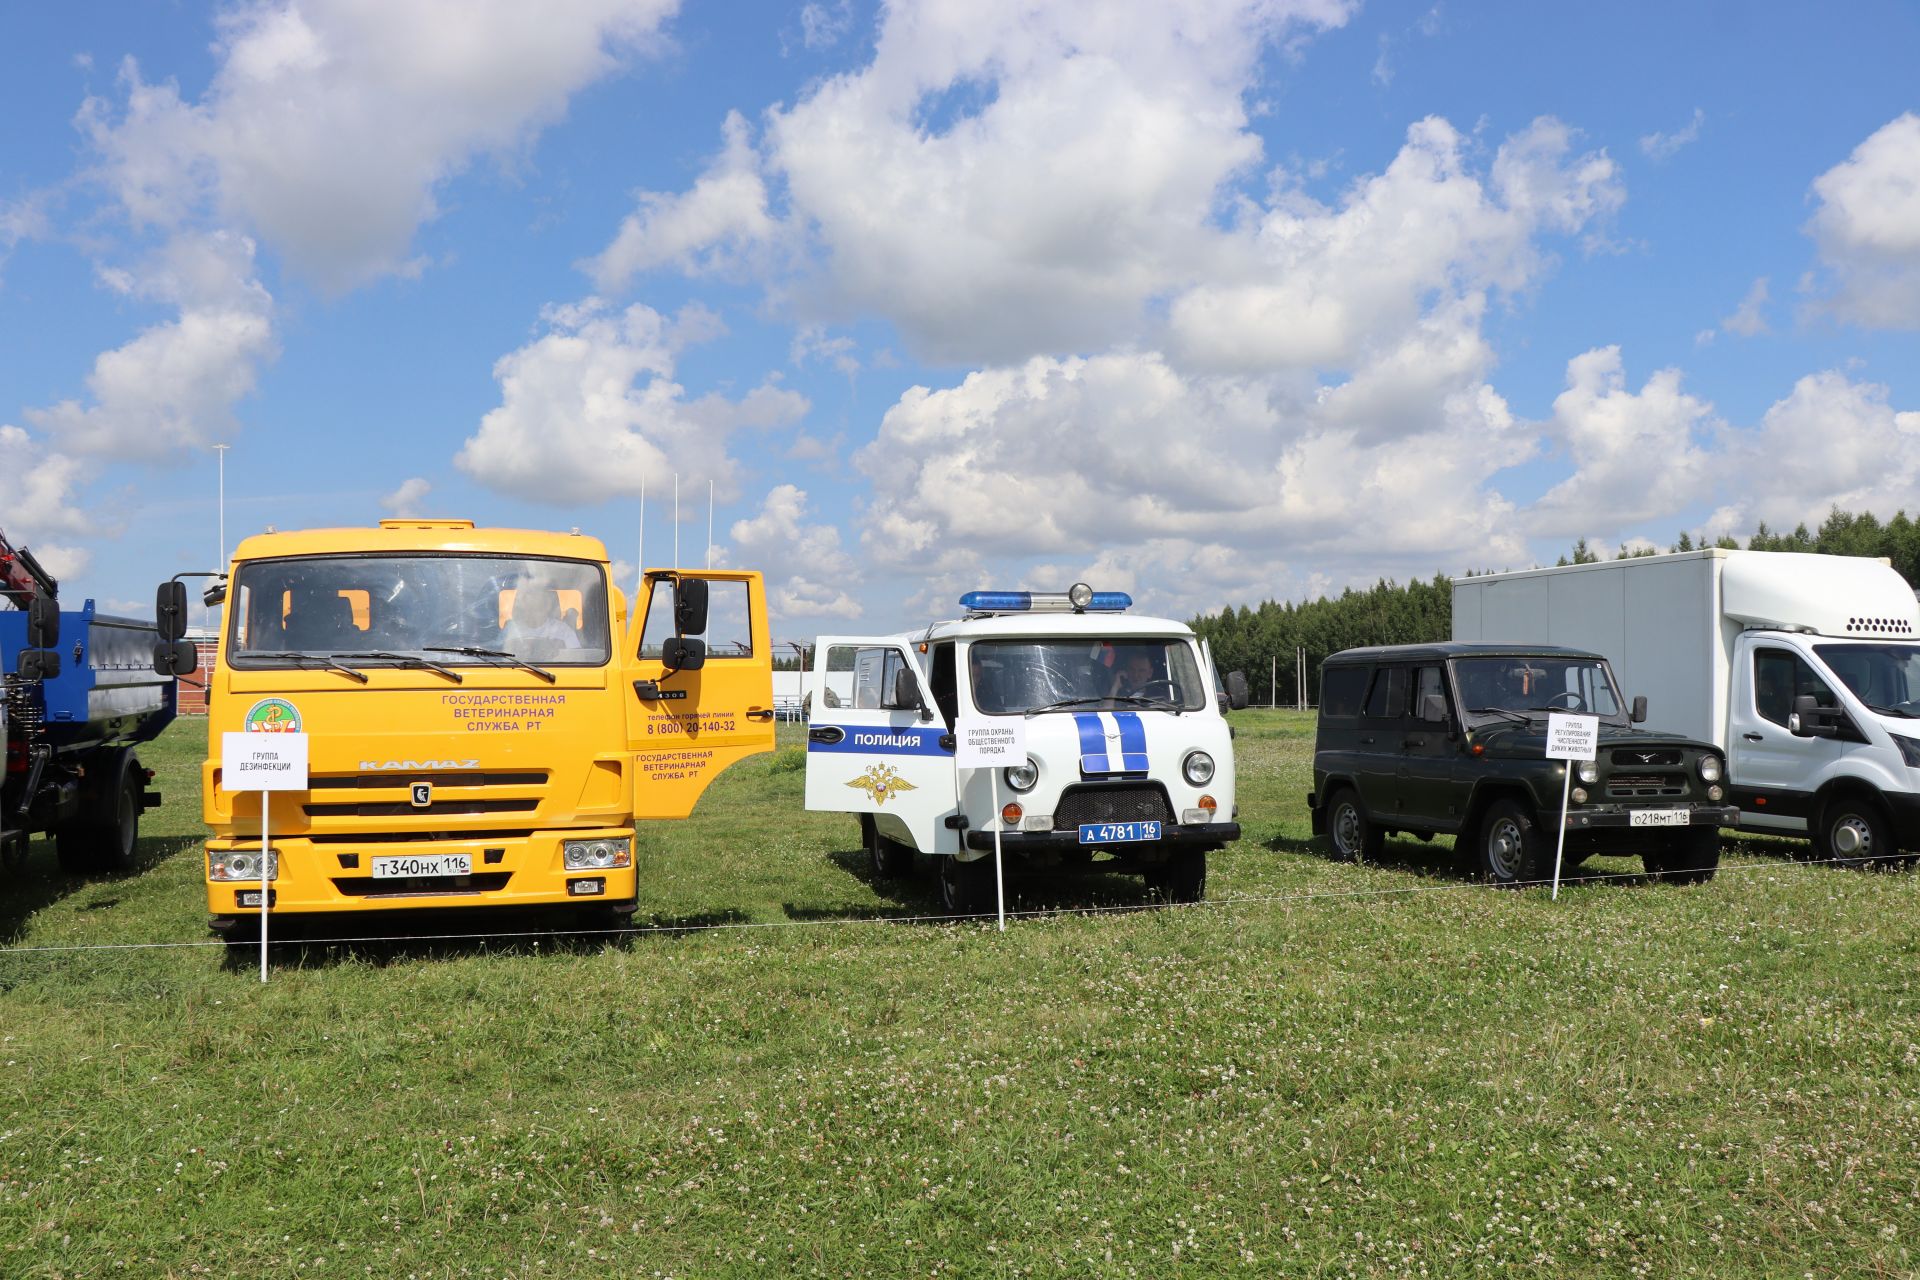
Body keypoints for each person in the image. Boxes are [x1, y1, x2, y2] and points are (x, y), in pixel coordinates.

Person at [503, 582, 580, 658]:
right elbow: (498, 657)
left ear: (547, 608)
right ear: (523, 609)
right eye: (531, 608)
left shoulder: (563, 631)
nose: (535, 613)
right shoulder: (511, 629)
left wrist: (558, 651)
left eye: (539, 607)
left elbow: (577, 658)